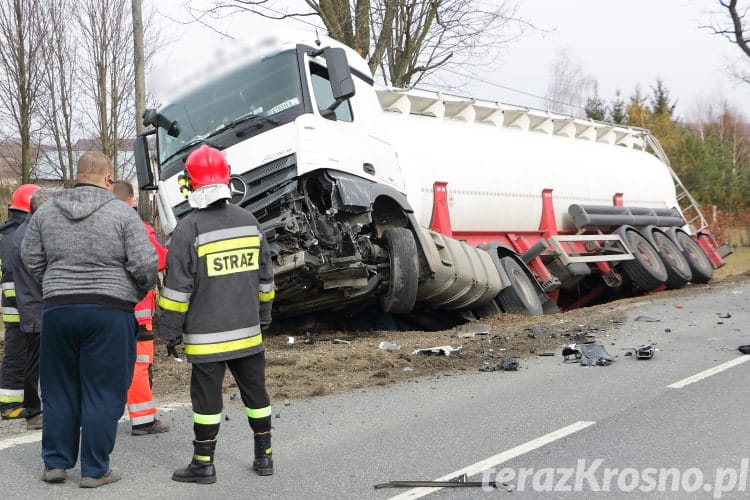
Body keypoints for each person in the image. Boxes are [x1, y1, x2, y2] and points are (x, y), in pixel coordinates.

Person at [22, 152, 157, 488]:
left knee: (58, 388)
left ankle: (55, 463)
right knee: (102, 390)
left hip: (58, 309)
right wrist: (130, 289)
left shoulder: (47, 212)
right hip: (109, 311)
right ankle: (95, 470)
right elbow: (145, 264)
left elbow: (29, 258)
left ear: (77, 175)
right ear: (109, 179)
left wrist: (56, 285)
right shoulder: (122, 214)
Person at [158, 145, 275, 484]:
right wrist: (263, 317)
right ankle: (264, 456)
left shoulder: (188, 229)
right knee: (257, 396)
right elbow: (266, 279)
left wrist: (170, 331)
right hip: (248, 333)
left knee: (207, 400)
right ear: (226, 178)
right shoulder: (250, 221)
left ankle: (203, 463)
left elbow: (177, 290)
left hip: (206, 338)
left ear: (190, 184)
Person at [112, 180, 170, 436]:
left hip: (108, 309)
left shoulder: (102, 227)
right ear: (131, 201)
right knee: (139, 364)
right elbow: (160, 259)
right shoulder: (139, 229)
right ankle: (143, 419)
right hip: (137, 312)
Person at [11, 188, 54, 431]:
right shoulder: (31, 235)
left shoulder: (26, 231)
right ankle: (34, 412)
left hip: (35, 306)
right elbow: (41, 273)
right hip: (37, 308)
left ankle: (36, 410)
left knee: (36, 361)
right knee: (36, 364)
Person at [0, 183, 39, 421]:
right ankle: (9, 405)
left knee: (20, 356)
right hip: (20, 308)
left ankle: (18, 402)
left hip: (15, 307)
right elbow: (15, 275)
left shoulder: (7, 233)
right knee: (17, 357)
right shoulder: (17, 235)